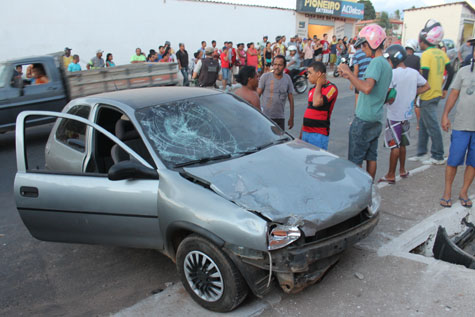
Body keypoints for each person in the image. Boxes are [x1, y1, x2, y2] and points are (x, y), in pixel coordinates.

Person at [338, 24, 392, 180]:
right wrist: (350, 77)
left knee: (355, 161)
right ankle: (369, 189)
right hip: (376, 118)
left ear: (372, 43)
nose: (362, 49)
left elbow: (367, 88)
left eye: (363, 45)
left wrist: (349, 72)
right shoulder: (387, 65)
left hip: (364, 119)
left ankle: (357, 193)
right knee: (371, 157)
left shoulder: (375, 63)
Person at [378, 45, 430, 184]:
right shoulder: (413, 73)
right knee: (403, 144)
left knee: (394, 146)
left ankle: (390, 174)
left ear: (394, 59)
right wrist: (414, 93)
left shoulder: (393, 74)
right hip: (407, 115)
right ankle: (402, 170)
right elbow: (427, 86)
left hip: (394, 114)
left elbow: (387, 93)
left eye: (389, 59)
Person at [409, 19, 454, 165]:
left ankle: (438, 155)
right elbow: (452, 71)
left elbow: (424, 77)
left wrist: (417, 92)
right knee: (423, 124)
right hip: (436, 93)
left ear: (424, 41)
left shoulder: (427, 55)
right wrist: (445, 89)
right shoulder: (441, 53)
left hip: (427, 94)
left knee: (432, 125)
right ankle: (421, 152)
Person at [440, 38, 475, 208]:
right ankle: (447, 191)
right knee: (454, 160)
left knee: (473, 163)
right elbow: (453, 95)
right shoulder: (463, 72)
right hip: (462, 125)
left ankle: (464, 191)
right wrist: (445, 115)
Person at [300, 61, 338, 150]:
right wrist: (301, 134)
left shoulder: (331, 88)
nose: (308, 76)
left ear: (319, 74)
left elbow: (317, 102)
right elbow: (309, 110)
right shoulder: (312, 89)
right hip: (306, 132)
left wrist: (319, 83)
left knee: (318, 162)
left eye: (310, 73)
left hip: (318, 135)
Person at [257, 55, 295, 130]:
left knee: (280, 139)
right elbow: (257, 95)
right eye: (275, 64)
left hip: (280, 117)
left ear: (284, 66)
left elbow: (291, 99)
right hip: (265, 117)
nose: (277, 67)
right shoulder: (265, 77)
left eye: (280, 65)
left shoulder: (287, 78)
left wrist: (291, 117)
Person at [352, 42, 372, 107]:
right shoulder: (370, 53)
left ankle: (357, 113)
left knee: (357, 98)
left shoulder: (355, 55)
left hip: (359, 81)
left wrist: (352, 82)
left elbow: (356, 70)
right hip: (369, 80)